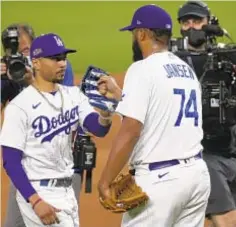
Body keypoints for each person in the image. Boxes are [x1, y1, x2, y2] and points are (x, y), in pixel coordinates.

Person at [97, 4, 210, 227]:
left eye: (133, 34)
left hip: (160, 181)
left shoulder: (142, 69)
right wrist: (121, 96)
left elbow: (131, 131)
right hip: (196, 177)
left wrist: (105, 180)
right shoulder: (186, 70)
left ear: (142, 34)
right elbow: (163, 109)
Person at [0, 33, 113, 227]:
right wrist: (35, 200)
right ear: (35, 63)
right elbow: (10, 160)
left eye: (64, 58)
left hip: (67, 192)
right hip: (39, 191)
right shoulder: (20, 106)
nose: (62, 64)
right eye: (55, 59)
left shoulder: (73, 95)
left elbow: (97, 128)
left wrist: (105, 112)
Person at [1, 24, 81, 227]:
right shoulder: (12, 72)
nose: (22, 57)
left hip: (62, 169)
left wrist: (30, 80)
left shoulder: (59, 67)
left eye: (26, 50)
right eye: (17, 52)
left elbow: (60, 106)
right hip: (28, 170)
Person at [177, 1, 236, 226]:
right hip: (202, 154)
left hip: (229, 147)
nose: (192, 27)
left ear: (209, 23)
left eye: (198, 21)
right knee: (227, 219)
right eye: (186, 22)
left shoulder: (228, 56)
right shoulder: (173, 61)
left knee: (208, 220)